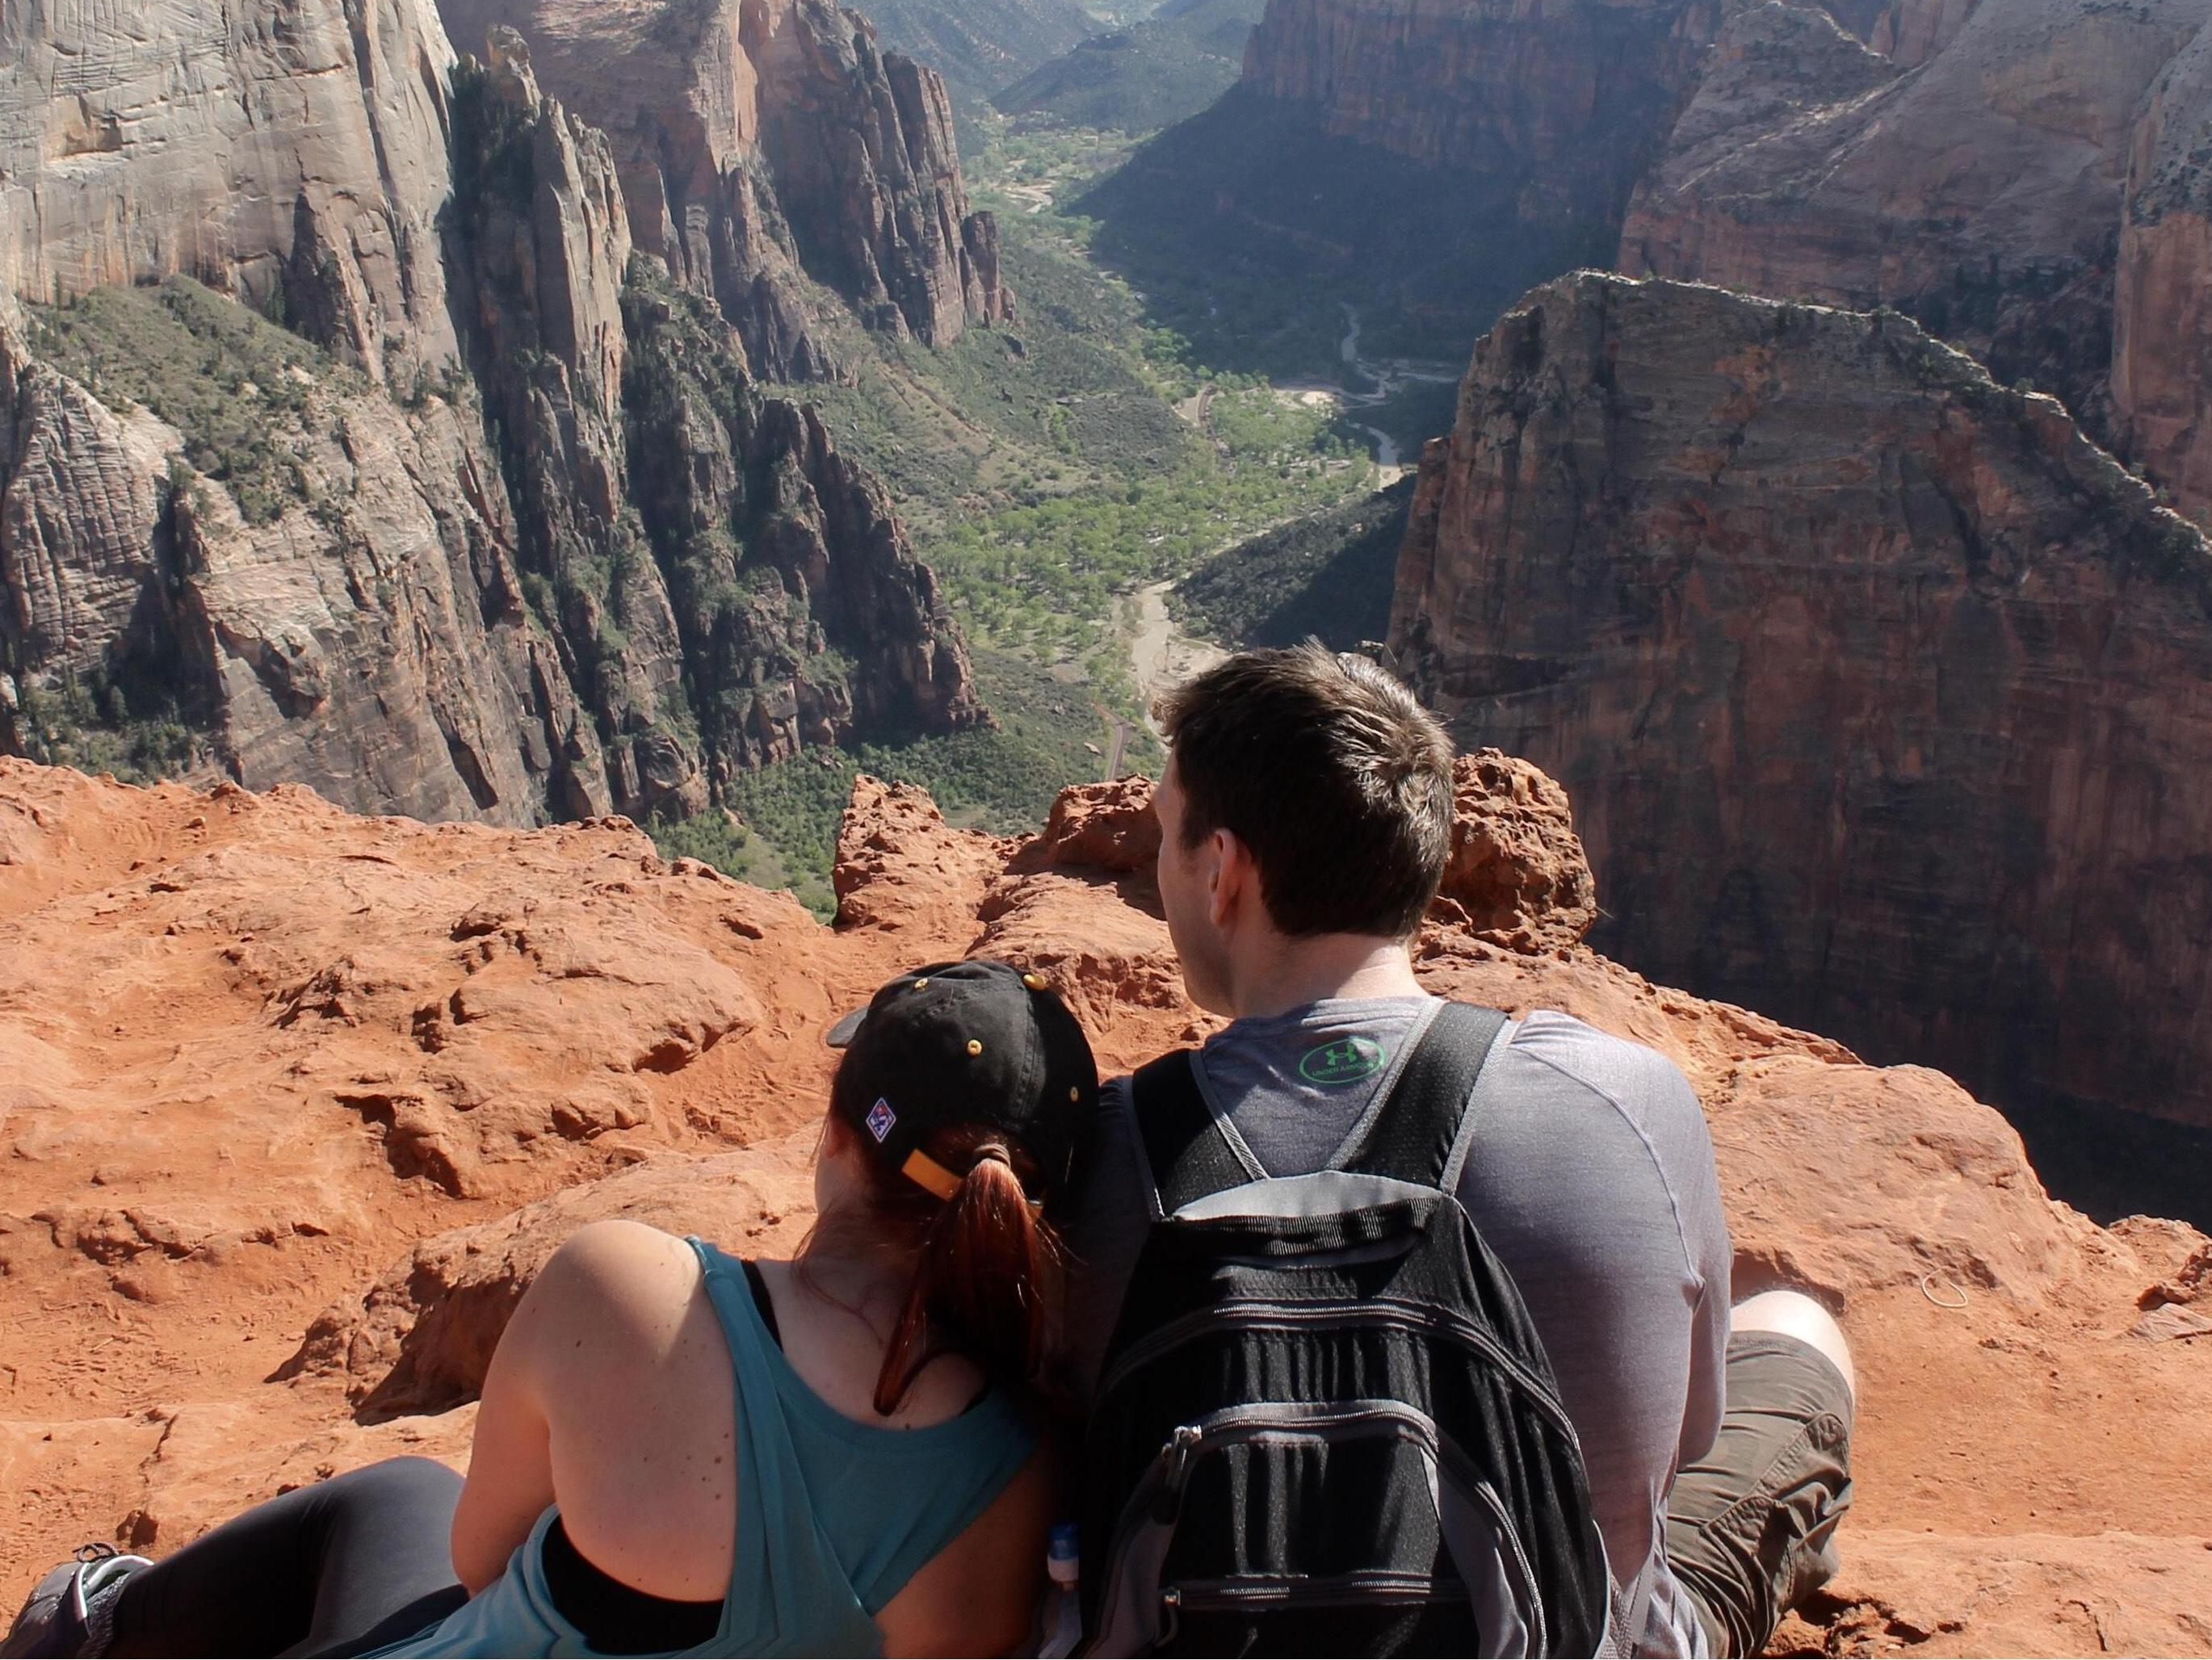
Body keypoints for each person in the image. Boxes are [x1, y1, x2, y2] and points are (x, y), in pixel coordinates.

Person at [1063, 644, 1854, 1658]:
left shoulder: (1102, 1153)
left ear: (1224, 874)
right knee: (1791, 1322)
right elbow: (1686, 1442)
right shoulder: (1623, 1098)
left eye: (1169, 841)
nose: (1159, 875)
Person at [5, 959, 1099, 1660]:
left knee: (394, 1493)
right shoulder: (1027, 1468)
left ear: (835, 1136)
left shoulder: (634, 1292)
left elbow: (481, 1562)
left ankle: (90, 1621)